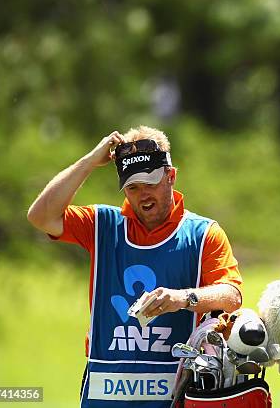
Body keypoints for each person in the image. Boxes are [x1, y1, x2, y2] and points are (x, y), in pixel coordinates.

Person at [27, 126, 242, 407]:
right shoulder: (102, 224)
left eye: (150, 183)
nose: (143, 195)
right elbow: (41, 216)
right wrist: (90, 161)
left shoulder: (203, 234)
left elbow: (231, 296)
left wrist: (182, 299)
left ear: (171, 176)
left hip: (173, 395)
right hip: (104, 395)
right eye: (133, 187)